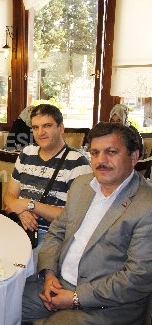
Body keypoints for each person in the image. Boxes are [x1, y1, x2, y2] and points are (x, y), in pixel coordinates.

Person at [22, 122, 151, 325]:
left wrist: (75, 298)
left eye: (111, 152)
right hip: (57, 284)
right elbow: (57, 231)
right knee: (0, 301)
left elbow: (137, 278)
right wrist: (49, 274)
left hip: (106, 306)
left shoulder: (146, 206)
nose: (101, 161)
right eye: (95, 153)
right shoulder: (83, 185)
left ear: (134, 157)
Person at [3, 104, 91, 248]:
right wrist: (22, 212)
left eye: (47, 126)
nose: (40, 132)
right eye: (35, 127)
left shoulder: (77, 162)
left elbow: (73, 216)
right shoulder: (26, 153)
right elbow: (9, 196)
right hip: (20, 228)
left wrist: (29, 205)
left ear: (61, 128)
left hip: (54, 238)